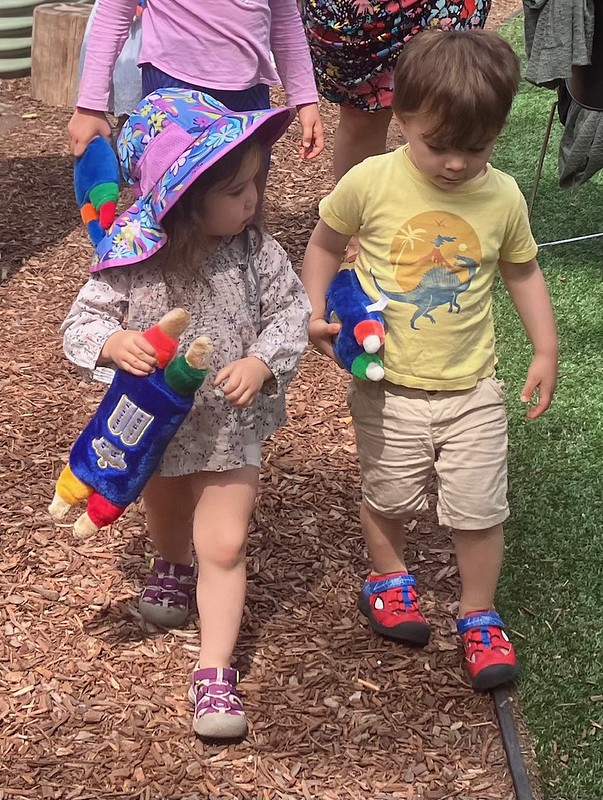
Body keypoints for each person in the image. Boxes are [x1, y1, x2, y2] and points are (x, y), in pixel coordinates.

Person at [301, 29, 558, 691]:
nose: (455, 164)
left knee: (481, 509)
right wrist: (315, 309)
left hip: (472, 386)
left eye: (476, 147)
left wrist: (545, 347)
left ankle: (478, 613)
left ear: (497, 133)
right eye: (437, 145)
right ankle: (388, 578)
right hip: (388, 385)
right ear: (401, 117)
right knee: (388, 496)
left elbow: (522, 270)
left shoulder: (502, 197)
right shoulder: (371, 181)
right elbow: (324, 244)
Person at [61, 88, 311, 738]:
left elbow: (292, 312)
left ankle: (214, 671)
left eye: (255, 184)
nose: (252, 200)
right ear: (184, 199)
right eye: (235, 190)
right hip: (157, 425)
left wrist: (261, 362)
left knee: (224, 543)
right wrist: (113, 343)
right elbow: (80, 324)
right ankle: (171, 564)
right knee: (167, 505)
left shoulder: (256, 252)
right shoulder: (133, 258)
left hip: (229, 425)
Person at [68, 0, 324, 164]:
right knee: (172, 208)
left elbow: (284, 17)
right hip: (172, 88)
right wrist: (90, 106)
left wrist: (304, 98)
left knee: (244, 203)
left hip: (249, 93)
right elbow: (114, 12)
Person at [302, 0, 491, 180]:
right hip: (368, 12)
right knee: (362, 118)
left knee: (451, 104)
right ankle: (362, 199)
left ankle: (451, 199)